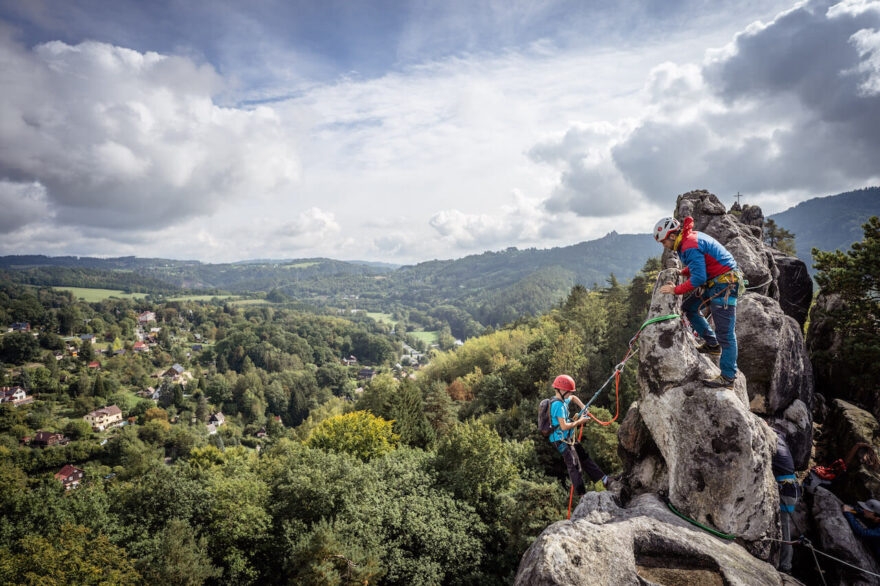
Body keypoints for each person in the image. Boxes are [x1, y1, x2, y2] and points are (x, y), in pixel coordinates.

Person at [655, 216, 742, 389]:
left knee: (725, 334)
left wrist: (675, 290)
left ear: (672, 236)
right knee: (689, 307)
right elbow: (700, 264)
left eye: (663, 241)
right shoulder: (688, 239)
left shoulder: (688, 244)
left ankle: (728, 378)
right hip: (716, 280)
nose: (663, 245)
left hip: (723, 285)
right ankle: (712, 344)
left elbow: (699, 276)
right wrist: (682, 272)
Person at [548, 374, 609, 496]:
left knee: (583, 456)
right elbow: (564, 426)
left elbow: (574, 398)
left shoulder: (563, 399)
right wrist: (579, 422)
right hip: (560, 440)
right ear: (562, 390)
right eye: (569, 392)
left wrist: (583, 407)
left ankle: (604, 479)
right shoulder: (558, 405)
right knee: (574, 465)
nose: (570, 394)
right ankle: (582, 495)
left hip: (567, 437)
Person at [771, 424, 799, 574]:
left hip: (786, 490)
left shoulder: (772, 441)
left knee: (784, 528)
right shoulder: (781, 439)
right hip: (791, 488)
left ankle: (786, 565)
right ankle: (785, 563)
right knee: (784, 526)